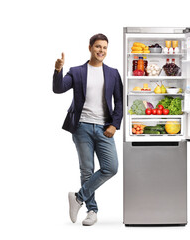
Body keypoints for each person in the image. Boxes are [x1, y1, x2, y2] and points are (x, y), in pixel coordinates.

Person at [52, 33, 123, 226]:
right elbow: (58, 89)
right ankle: (92, 211)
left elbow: (119, 101)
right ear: (90, 47)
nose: (101, 51)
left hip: (104, 128)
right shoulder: (77, 71)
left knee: (111, 167)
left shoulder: (113, 73)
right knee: (87, 170)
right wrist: (58, 70)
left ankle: (77, 197)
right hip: (82, 127)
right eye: (98, 46)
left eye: (105, 48)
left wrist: (114, 125)